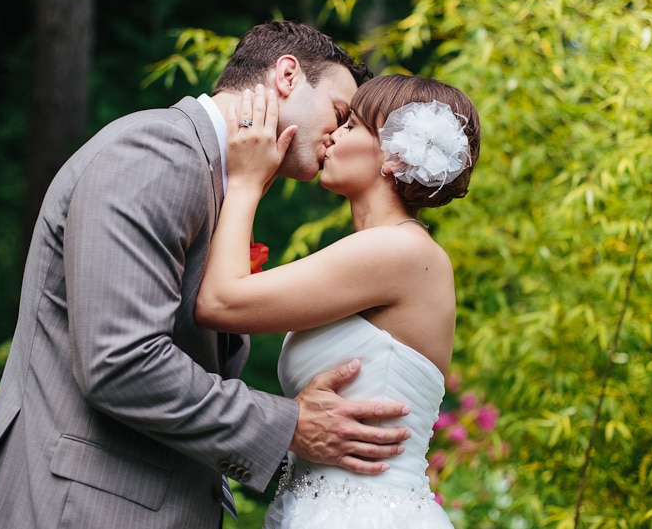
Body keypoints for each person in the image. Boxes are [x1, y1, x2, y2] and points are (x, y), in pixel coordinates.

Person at [0, 21, 413, 529]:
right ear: (287, 75)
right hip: (81, 510)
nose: (338, 134)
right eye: (339, 113)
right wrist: (289, 426)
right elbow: (121, 362)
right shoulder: (158, 154)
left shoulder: (219, 181)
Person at [195, 73, 481, 528]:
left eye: (350, 126)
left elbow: (219, 302)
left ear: (394, 155)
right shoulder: (381, 251)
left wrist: (247, 180)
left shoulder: (399, 250)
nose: (331, 134)